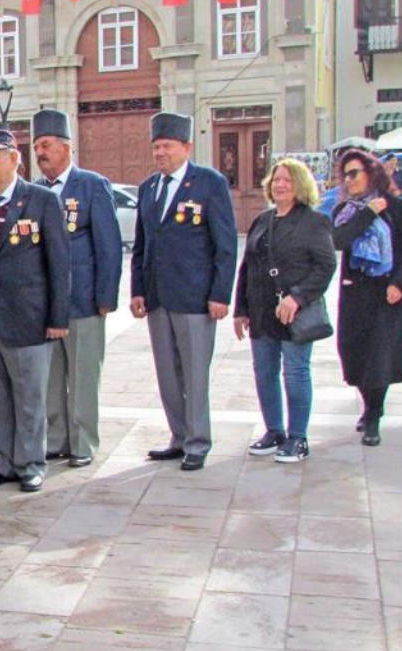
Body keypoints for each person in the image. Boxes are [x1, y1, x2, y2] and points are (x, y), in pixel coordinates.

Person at [130, 112, 237, 471]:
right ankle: (178, 435)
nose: (160, 152)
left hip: (195, 297)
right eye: (156, 146)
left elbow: (225, 244)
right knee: (167, 373)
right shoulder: (148, 188)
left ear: (186, 147)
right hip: (158, 296)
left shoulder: (209, 183)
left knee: (194, 372)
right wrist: (138, 290)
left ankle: (198, 440)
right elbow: (142, 246)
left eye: (167, 146)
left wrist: (221, 293)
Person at [0, 128, 69, 492]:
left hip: (28, 315)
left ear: (15, 159)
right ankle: (6, 459)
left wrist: (58, 317)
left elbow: (59, 262)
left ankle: (31, 461)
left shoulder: (40, 200)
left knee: (29, 395)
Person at [32, 110, 122, 468]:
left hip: (83, 300)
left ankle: (83, 442)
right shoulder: (36, 191)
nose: (41, 152)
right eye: (37, 145)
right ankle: (56, 440)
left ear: (67, 147)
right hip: (46, 306)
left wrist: (106, 296)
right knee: (51, 379)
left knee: (83, 377)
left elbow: (109, 245)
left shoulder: (91, 185)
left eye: (47, 145)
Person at [234, 159, 337, 463]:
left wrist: (297, 297)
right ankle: (274, 430)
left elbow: (325, 266)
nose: (280, 185)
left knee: (295, 372)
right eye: (276, 179)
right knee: (264, 372)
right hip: (262, 311)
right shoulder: (263, 220)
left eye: (288, 181)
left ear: (301, 186)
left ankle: (298, 437)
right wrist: (241, 309)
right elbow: (248, 267)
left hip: (294, 313)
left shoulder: (314, 221)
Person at [331, 149, 402, 445]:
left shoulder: (396, 206)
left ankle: (374, 414)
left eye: (354, 172)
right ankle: (368, 402)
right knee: (353, 353)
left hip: (388, 291)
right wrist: (368, 211)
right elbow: (338, 241)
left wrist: (400, 282)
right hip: (355, 290)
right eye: (345, 174)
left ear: (371, 173)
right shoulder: (344, 210)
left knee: (380, 355)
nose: (349, 179)